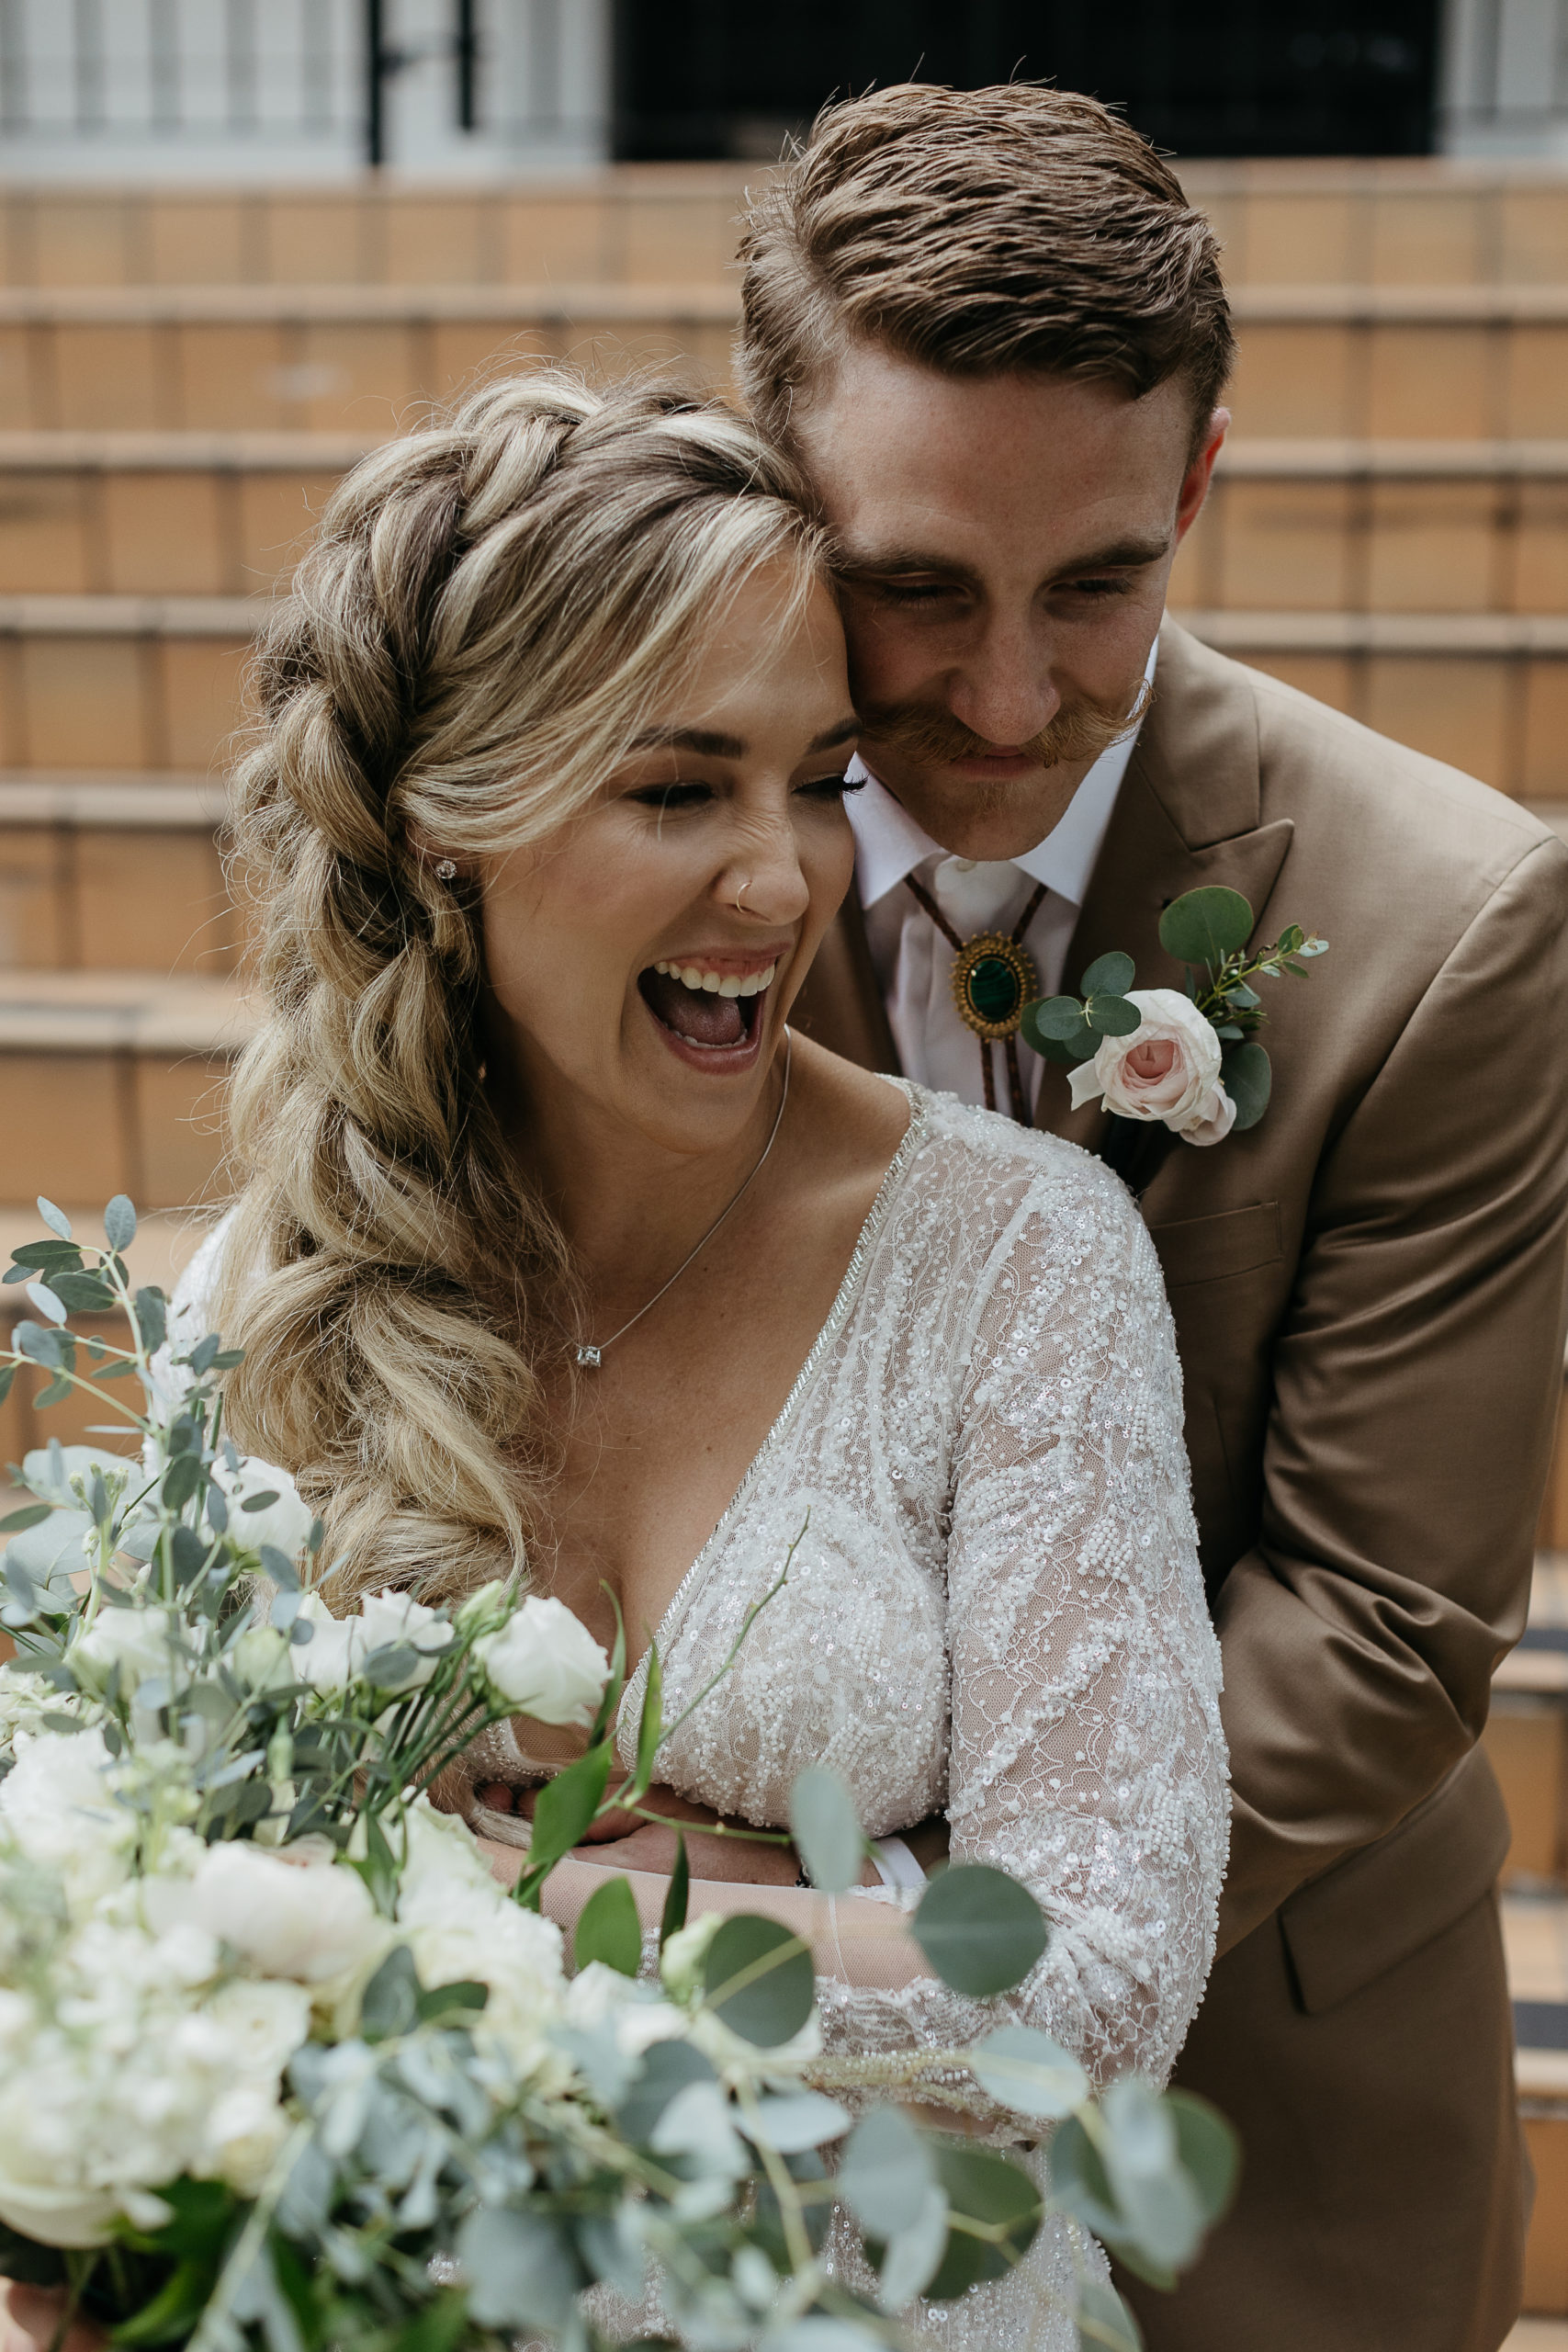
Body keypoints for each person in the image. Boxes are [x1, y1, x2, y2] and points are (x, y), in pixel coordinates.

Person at [147, 371, 1224, 2350]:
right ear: (441, 826)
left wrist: (539, 1902)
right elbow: (147, 1905)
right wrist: (845, 1899)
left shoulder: (1014, 1258)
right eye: (674, 787)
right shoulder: (273, 1286)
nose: (779, 879)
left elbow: (1098, 1987)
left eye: (812, 778)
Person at [746, 79, 1568, 2352]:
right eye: (910, 586)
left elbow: (1384, 1620)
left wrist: (879, 1933)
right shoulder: (650, 868)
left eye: (1094, 582)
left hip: (1266, 2118)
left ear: (1195, 486)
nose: (1003, 695)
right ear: (774, 492)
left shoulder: (1449, 920)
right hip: (710, 2143)